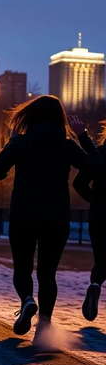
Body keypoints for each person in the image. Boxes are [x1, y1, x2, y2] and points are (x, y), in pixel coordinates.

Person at [0, 96, 103, 339]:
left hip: (23, 215)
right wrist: (82, 136)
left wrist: (11, 144)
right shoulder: (66, 145)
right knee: (47, 274)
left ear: (29, 116)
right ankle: (44, 327)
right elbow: (98, 167)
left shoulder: (21, 143)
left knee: (22, 268)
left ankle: (27, 301)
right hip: (56, 217)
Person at [73, 119, 106, 321]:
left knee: (101, 257)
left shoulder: (100, 153)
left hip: (99, 214)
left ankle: (95, 285)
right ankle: (95, 286)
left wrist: (94, 198)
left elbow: (79, 183)